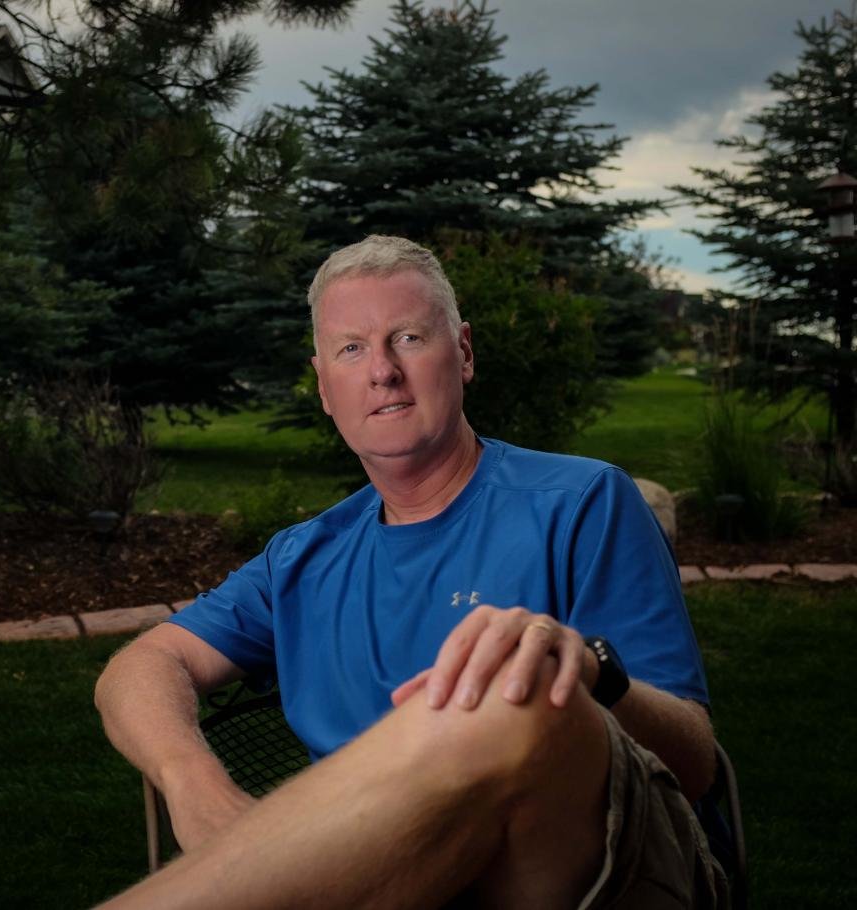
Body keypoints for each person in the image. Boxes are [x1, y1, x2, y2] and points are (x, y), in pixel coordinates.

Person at [94, 235, 728, 908]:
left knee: (518, 689)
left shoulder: (582, 503)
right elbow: (141, 667)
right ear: (324, 387)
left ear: (464, 353)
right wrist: (193, 783)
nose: (382, 371)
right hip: (362, 877)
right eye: (351, 348)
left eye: (408, 338)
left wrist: (590, 670)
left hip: (598, 877)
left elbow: (694, 763)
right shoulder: (303, 558)